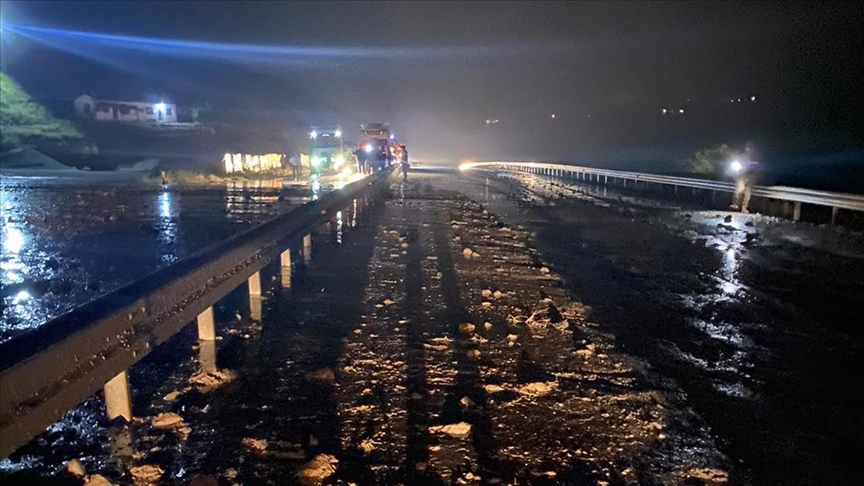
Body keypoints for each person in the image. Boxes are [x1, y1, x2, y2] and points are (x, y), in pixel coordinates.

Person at [730, 143, 760, 213]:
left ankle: (744, 208)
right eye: (748, 148)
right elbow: (738, 163)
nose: (749, 149)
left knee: (747, 193)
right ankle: (736, 205)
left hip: (751, 176)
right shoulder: (743, 156)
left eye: (751, 148)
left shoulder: (756, 157)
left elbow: (759, 167)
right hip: (742, 175)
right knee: (739, 190)